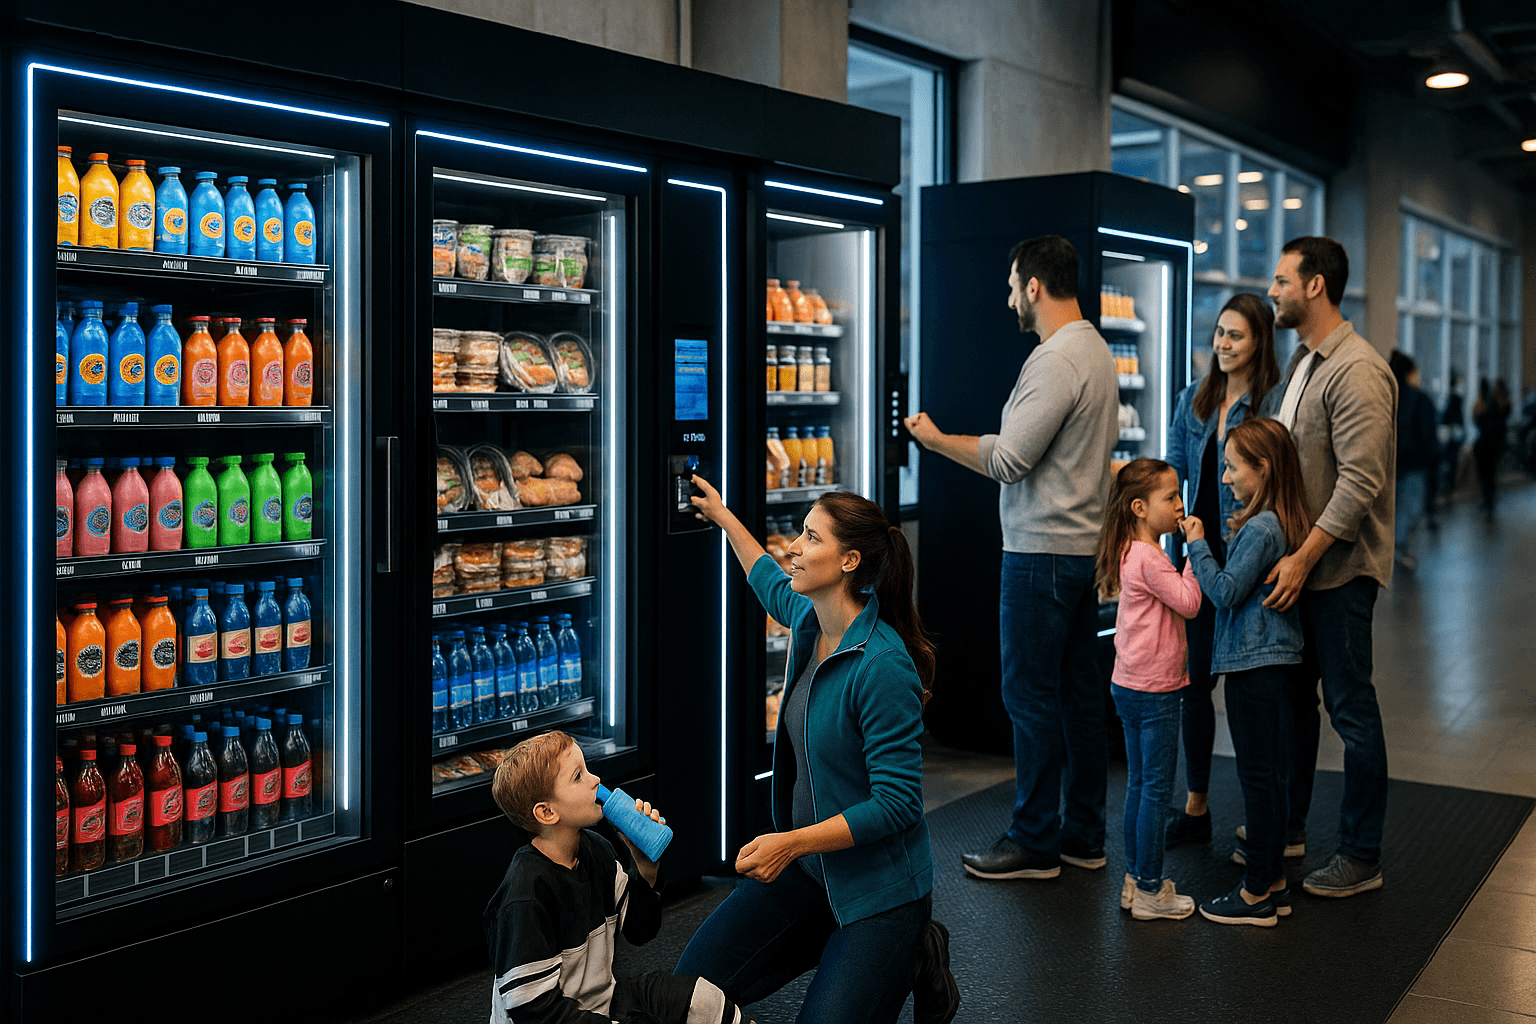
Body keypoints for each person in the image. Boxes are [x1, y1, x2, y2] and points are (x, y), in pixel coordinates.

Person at [676, 481, 959, 1024]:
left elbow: (898, 802)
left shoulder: (882, 666)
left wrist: (790, 843)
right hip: (810, 875)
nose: (794, 548)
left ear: (849, 561)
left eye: (810, 538)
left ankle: (917, 947)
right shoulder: (811, 617)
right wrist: (724, 516)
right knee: (686, 993)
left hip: (878, 895)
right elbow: (767, 582)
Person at [904, 235, 1118, 880]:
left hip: (1041, 555)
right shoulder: (1098, 351)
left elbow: (1009, 458)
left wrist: (936, 441)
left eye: (1011, 283)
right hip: (1080, 551)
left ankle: (1033, 840)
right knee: (1079, 697)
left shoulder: (1057, 359)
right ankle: (1082, 834)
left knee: (1028, 697)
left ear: (1033, 285)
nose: (1007, 298)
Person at [1261, 236, 1396, 898]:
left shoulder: (1357, 370)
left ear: (1315, 286)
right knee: (1293, 706)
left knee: (1351, 708)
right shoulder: (1303, 363)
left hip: (1338, 574)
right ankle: (1289, 829)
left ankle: (1361, 855)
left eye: (1282, 280)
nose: (1273, 290)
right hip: (1299, 570)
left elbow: (1360, 483)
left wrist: (1302, 555)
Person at [484, 730, 755, 1024]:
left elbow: (640, 929)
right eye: (578, 776)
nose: (595, 780)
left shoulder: (596, 849)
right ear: (547, 812)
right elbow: (533, 1009)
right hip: (557, 1018)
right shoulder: (527, 893)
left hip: (603, 999)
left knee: (703, 1000)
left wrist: (644, 866)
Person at [1162, 293, 1280, 850]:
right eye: (1219, 333)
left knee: (1256, 694)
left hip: (1250, 555)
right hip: (1200, 556)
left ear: (1259, 341)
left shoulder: (1270, 403)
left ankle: (1276, 824)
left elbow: (1281, 480)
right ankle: (1197, 806)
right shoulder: (1194, 400)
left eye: (1236, 335)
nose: (1223, 345)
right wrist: (1175, 543)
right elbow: (1173, 481)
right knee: (1195, 687)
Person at [1182, 418, 1309, 926]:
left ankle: (1256, 892)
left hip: (1253, 665)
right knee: (1269, 775)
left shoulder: (1260, 527)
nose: (1227, 478)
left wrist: (1198, 543)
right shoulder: (1277, 522)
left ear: (1264, 468)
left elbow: (1227, 592)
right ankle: (1272, 876)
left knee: (1256, 777)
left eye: (1234, 467)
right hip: (1271, 665)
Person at [1093, 458, 1202, 921]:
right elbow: (1190, 603)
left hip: (1128, 683)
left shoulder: (1127, 550)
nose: (1180, 505)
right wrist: (1196, 552)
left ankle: (1136, 880)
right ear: (1139, 507)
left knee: (1139, 784)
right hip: (1156, 688)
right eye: (1170, 497)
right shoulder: (1151, 558)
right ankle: (1153, 891)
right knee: (1156, 789)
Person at [1389, 350, 1438, 569]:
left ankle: (1398, 549)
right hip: (1415, 464)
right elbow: (1428, 433)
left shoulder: (1388, 395)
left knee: (1399, 507)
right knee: (1411, 507)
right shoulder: (1419, 399)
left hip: (1393, 463)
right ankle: (1399, 549)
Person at [1473, 378, 1511, 520]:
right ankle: (1489, 502)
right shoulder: (1498, 405)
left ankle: (1488, 502)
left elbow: (1480, 421)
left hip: (1488, 445)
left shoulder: (1490, 405)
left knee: (1487, 476)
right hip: (1492, 445)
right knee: (1489, 476)